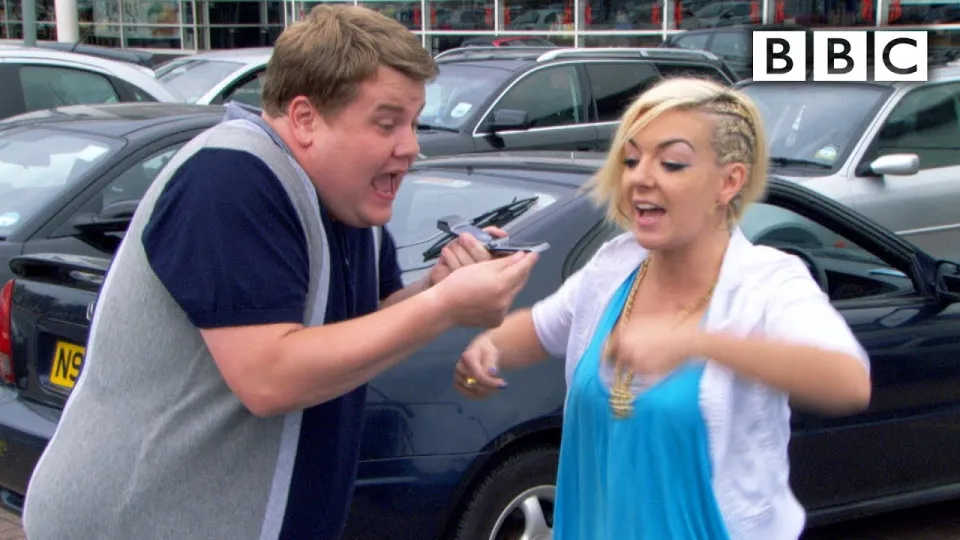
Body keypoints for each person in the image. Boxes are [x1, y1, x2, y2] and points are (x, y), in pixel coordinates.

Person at [23, 5, 538, 540]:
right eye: (387, 123)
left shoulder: (348, 201)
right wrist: (444, 308)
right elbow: (269, 376)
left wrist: (437, 288)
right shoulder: (229, 179)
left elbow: (353, 332)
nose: (410, 146)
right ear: (305, 118)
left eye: (411, 122)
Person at [453, 77, 872, 540]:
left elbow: (848, 383)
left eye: (671, 163)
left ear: (729, 181)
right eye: (632, 160)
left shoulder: (769, 281)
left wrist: (697, 341)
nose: (640, 178)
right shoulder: (615, 265)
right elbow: (540, 328)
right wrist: (488, 350)